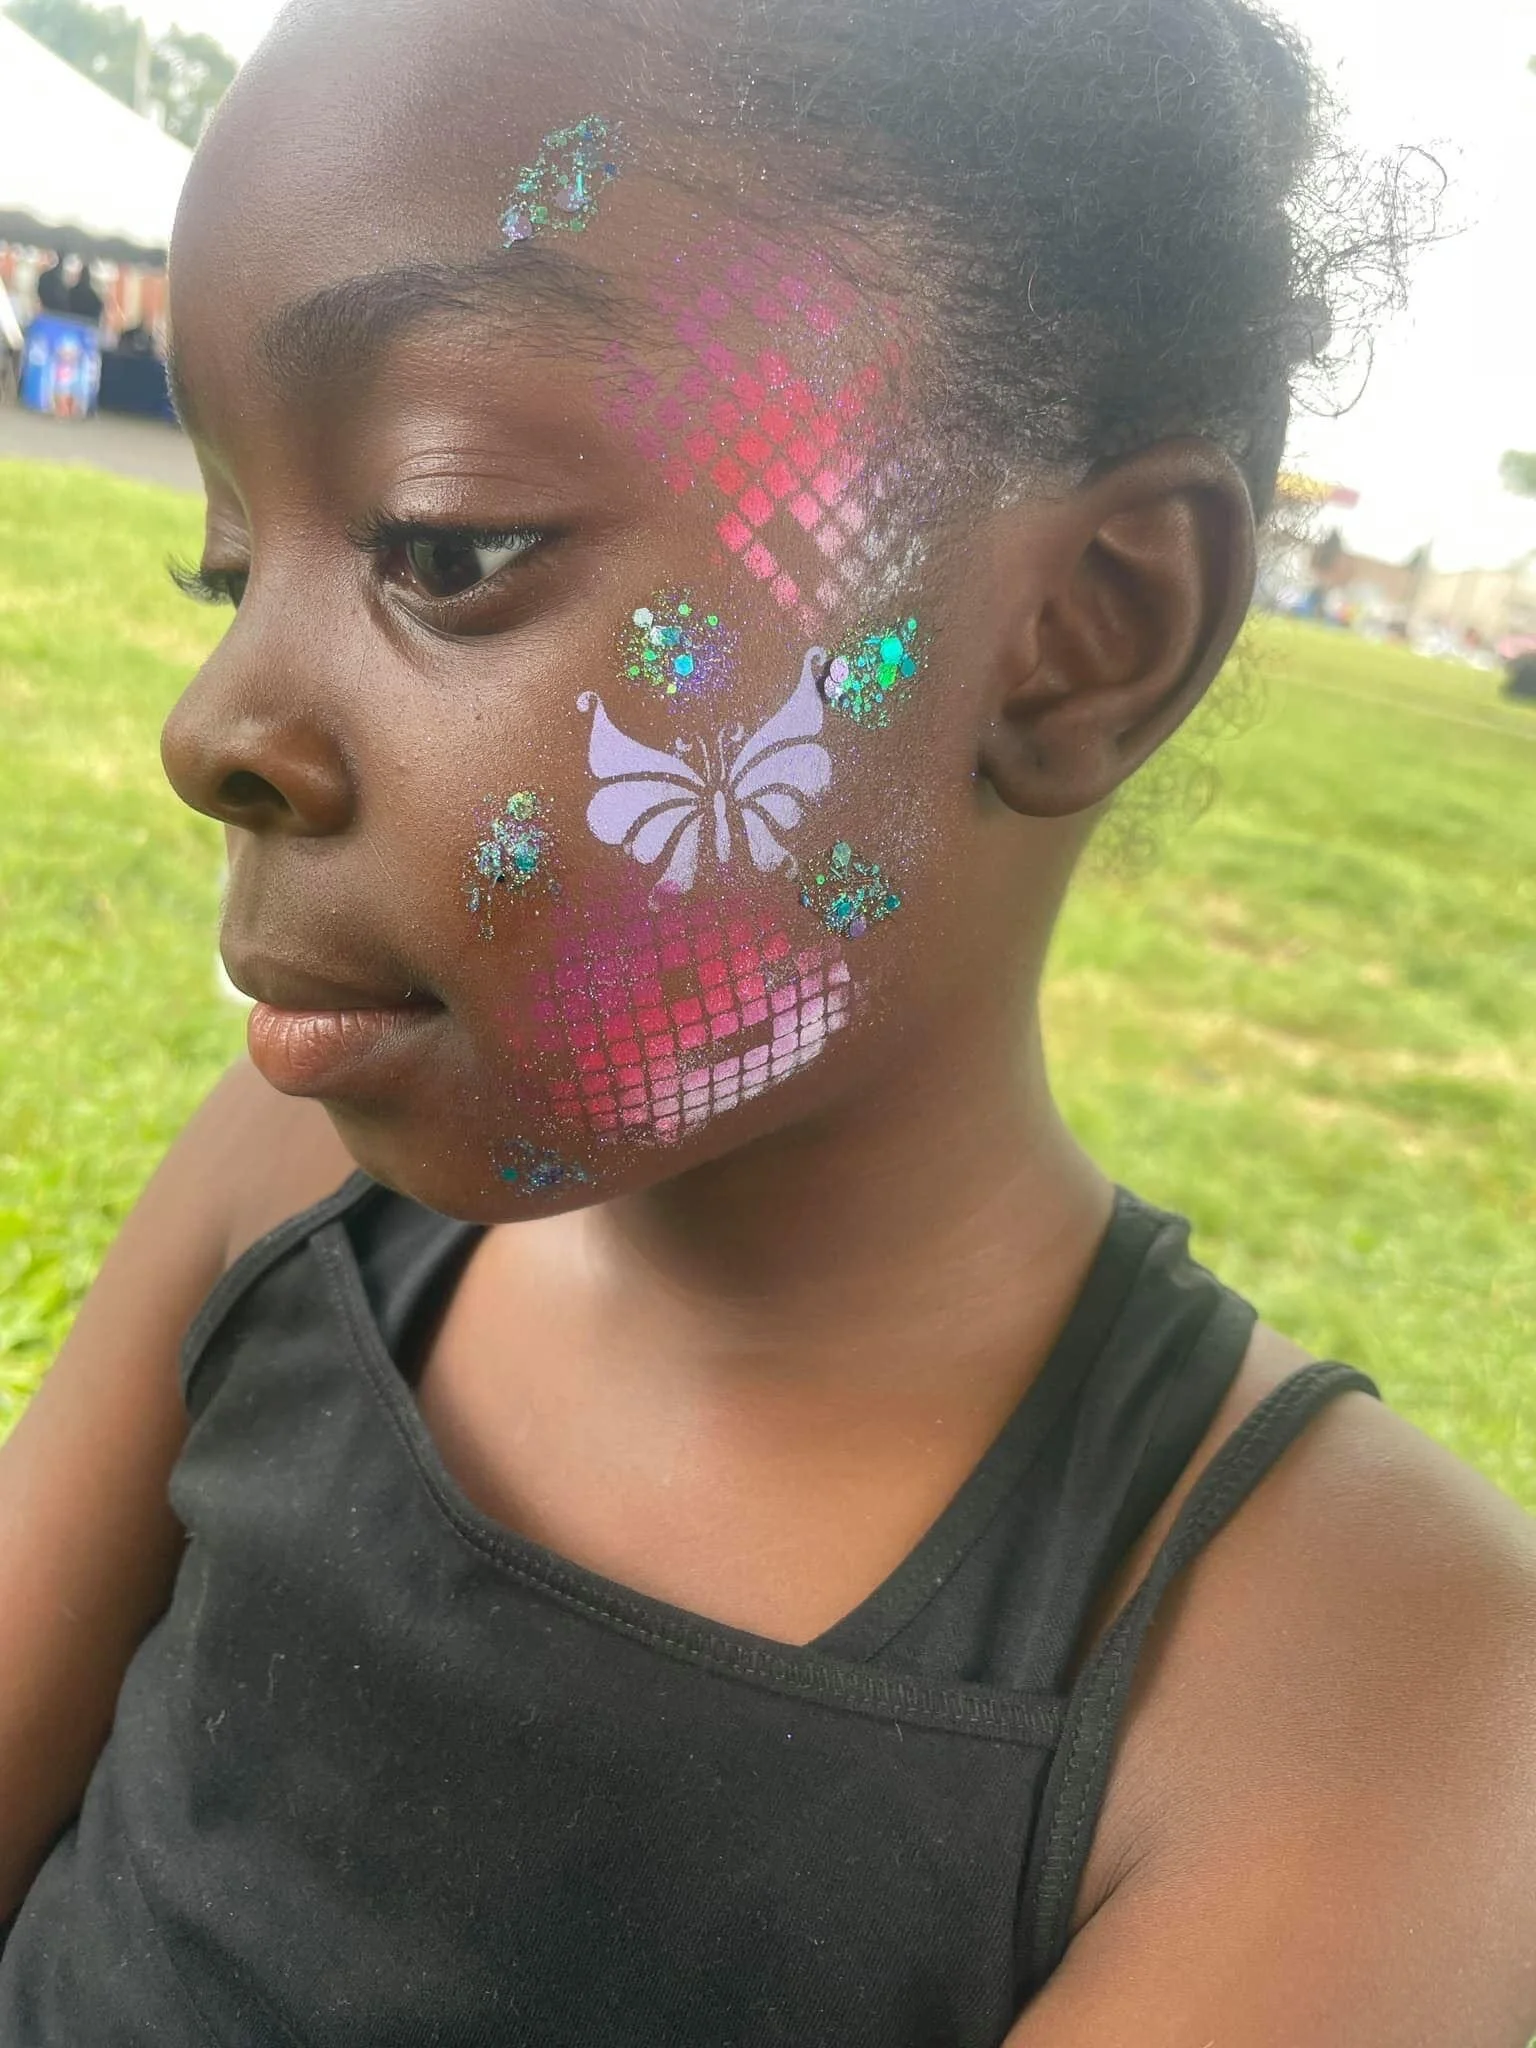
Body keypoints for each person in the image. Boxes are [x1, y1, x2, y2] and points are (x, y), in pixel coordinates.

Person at [1, 1, 1534, 2041]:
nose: (213, 732)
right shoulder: (278, 1190)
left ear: (1086, 632)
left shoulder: (1372, 1683)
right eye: (227, 564)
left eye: (446, 542)